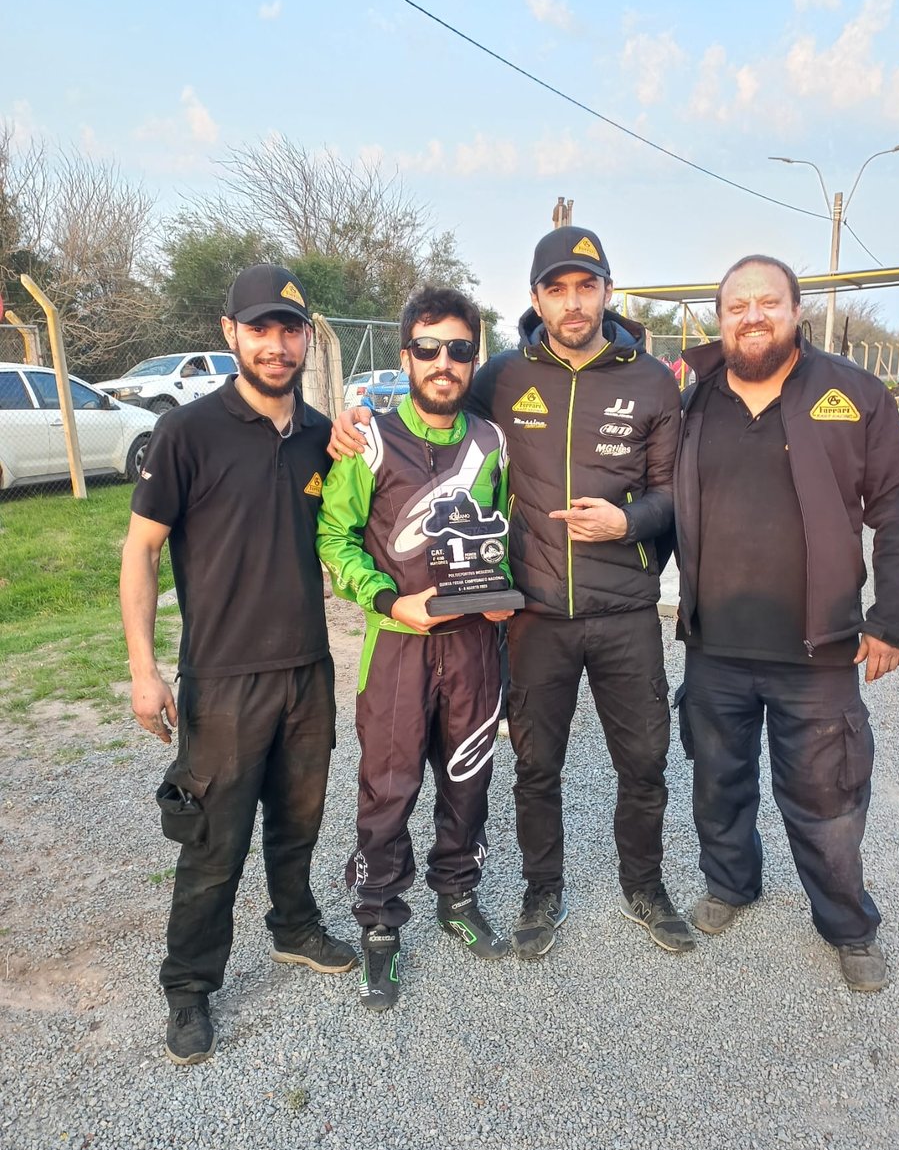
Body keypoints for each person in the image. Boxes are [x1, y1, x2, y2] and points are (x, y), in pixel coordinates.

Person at [331, 227, 692, 961]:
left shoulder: (652, 380)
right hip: (531, 613)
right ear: (535, 298)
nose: (572, 302)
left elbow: (673, 495)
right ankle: (541, 889)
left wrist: (628, 520)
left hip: (624, 608)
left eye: (585, 285)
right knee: (536, 765)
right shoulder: (500, 373)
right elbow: (431, 414)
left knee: (646, 760)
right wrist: (345, 428)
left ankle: (645, 886)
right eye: (556, 288)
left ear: (607, 291)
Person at [120, 264, 356, 1066]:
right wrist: (143, 669)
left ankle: (293, 927)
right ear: (230, 334)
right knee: (214, 845)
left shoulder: (324, 435)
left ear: (305, 337)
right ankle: (189, 988)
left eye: (290, 329)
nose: (277, 344)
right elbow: (141, 551)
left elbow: (351, 531)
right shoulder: (188, 433)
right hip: (221, 680)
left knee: (298, 826)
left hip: (307, 671)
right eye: (260, 328)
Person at [673, 254, 899, 992]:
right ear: (719, 320)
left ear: (796, 312)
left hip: (820, 652)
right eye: (737, 306)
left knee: (828, 798)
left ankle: (848, 923)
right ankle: (730, 884)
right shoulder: (693, 398)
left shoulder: (854, 394)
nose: (752, 316)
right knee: (718, 783)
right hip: (714, 645)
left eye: (768, 303)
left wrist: (894, 619)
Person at [316, 287, 514, 1012]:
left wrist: (506, 592)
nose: (444, 362)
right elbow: (333, 540)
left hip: (473, 648)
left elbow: (507, 538)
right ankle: (378, 923)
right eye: (428, 348)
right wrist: (385, 599)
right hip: (397, 649)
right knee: (388, 786)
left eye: (460, 349)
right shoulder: (367, 439)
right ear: (406, 357)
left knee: (468, 783)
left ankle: (457, 897)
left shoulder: (491, 443)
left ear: (473, 358)